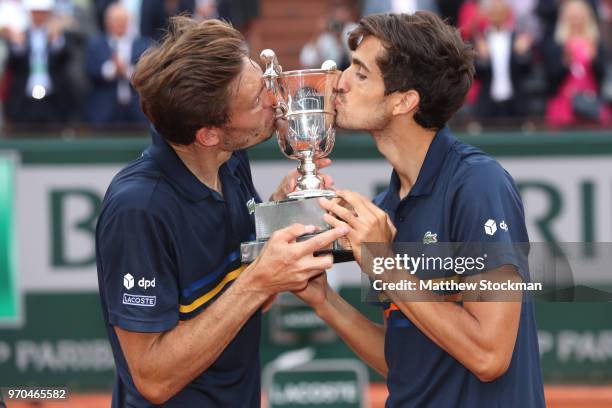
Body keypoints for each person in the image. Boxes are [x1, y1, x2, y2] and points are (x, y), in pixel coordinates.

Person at [294, 12, 546, 407]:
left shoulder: (479, 186)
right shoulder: (387, 206)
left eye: (360, 74)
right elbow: (409, 362)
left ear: (404, 101)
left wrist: (385, 266)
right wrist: (325, 302)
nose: (338, 82)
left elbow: (489, 355)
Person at [95, 16, 348, 407]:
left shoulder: (229, 160)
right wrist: (259, 280)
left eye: (264, 81)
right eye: (255, 100)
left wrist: (279, 217)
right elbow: (152, 378)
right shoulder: (138, 209)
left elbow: (245, 302)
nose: (274, 99)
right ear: (209, 133)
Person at [3, 0, 76, 125]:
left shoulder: (58, 35)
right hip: (24, 101)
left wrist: (56, 38)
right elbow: (12, 65)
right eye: (36, 12)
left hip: (53, 100)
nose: (39, 16)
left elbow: (65, 59)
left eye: (42, 12)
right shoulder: (21, 35)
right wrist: (18, 44)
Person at [83, 3, 150, 125]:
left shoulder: (143, 45)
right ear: (107, 22)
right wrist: (112, 68)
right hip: (104, 110)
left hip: (137, 110)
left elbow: (148, 74)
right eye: (116, 20)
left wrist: (127, 70)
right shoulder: (96, 44)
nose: (120, 24)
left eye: (123, 20)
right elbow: (90, 71)